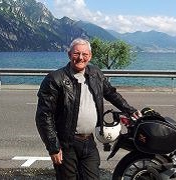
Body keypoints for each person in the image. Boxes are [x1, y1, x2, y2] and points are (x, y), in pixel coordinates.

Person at [35, 38, 141, 179]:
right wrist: (53, 147)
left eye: (85, 54)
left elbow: (111, 93)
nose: (80, 58)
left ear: (90, 56)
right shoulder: (55, 79)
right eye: (76, 53)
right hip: (66, 144)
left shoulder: (95, 74)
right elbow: (44, 116)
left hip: (89, 141)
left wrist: (130, 110)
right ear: (69, 54)